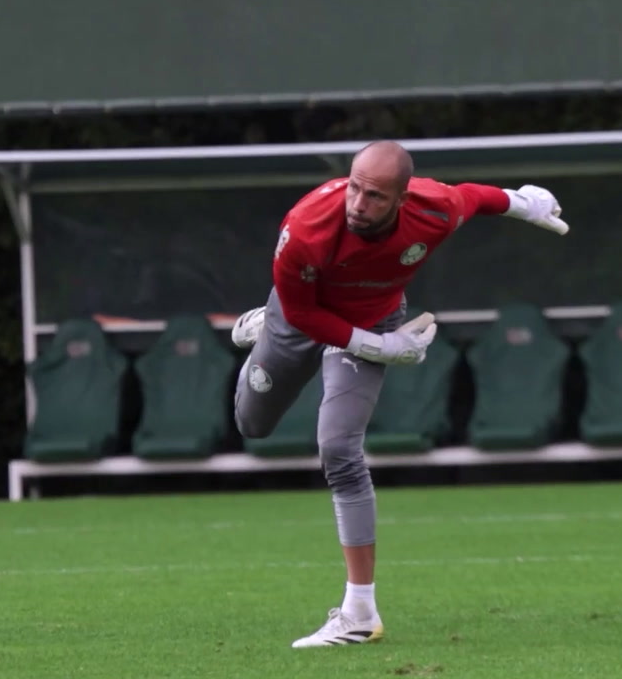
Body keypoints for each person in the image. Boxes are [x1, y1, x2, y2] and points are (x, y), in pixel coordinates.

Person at [230, 140, 568, 649]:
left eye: (375, 197)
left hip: (372, 315)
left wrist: (525, 202)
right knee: (252, 423)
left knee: (339, 451)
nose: (358, 205)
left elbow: (473, 197)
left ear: (403, 199)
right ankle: (263, 324)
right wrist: (382, 348)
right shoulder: (305, 227)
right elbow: (304, 316)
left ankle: (359, 613)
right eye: (355, 189)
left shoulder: (433, 210)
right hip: (301, 316)